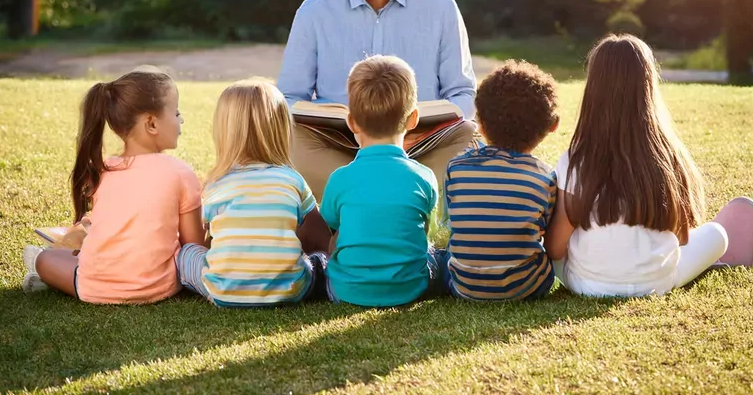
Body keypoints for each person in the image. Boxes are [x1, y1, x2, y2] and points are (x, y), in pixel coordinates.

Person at [277, 0, 478, 198]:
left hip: (419, 149)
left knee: (470, 140)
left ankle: (359, 196)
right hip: (342, 150)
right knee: (286, 139)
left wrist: (412, 125)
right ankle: (400, 196)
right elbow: (289, 99)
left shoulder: (442, 8)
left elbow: (463, 95)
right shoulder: (313, 12)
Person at [544, 34, 753, 297]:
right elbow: (681, 239)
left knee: (547, 253)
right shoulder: (667, 154)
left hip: (587, 286)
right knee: (717, 234)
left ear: (593, 92)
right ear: (648, 89)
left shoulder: (574, 159)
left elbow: (555, 249)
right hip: (658, 282)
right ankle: (721, 254)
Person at [23, 68, 206, 303]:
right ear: (151, 124)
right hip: (159, 286)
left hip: (92, 287)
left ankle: (42, 272)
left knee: (47, 259)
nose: (181, 119)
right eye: (177, 113)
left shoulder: (104, 170)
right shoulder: (181, 172)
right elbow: (194, 247)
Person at [176, 80, 329, 307]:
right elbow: (320, 236)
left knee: (187, 252)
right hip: (291, 289)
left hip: (222, 292)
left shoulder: (216, 184)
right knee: (320, 261)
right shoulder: (292, 179)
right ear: (280, 129)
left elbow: (208, 241)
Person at [321, 56, 440, 307]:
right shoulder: (423, 176)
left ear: (351, 121)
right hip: (412, 289)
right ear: (414, 118)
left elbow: (330, 227)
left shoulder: (339, 178)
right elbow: (425, 229)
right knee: (436, 254)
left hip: (345, 291)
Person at [441, 61, 560, 300]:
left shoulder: (456, 168)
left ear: (480, 125)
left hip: (463, 287)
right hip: (527, 287)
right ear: (552, 126)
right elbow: (545, 233)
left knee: (440, 256)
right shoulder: (545, 177)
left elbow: (451, 223)